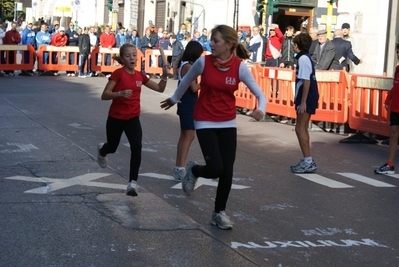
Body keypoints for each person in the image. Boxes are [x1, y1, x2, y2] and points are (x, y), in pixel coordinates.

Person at [160, 25, 266, 230]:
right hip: (205, 119)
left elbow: (260, 94)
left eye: (216, 41)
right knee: (216, 167)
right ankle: (194, 170)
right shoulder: (203, 62)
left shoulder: (239, 67)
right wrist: (174, 99)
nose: (211, 44)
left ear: (229, 45)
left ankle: (218, 213)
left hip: (227, 121)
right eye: (211, 40)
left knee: (227, 171)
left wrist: (261, 109)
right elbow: (185, 82)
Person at [97, 43, 169, 197]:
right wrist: (119, 94)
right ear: (122, 58)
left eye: (134, 55)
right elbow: (105, 95)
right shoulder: (118, 74)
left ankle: (132, 183)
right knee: (112, 147)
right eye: (128, 55)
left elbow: (160, 88)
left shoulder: (139, 76)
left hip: (133, 118)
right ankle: (103, 150)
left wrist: (164, 75)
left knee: (136, 146)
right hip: (116, 118)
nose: (132, 58)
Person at [172, 41, 204, 181]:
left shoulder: (185, 64)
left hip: (187, 103)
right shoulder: (188, 66)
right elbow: (194, 88)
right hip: (187, 103)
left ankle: (179, 166)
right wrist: (206, 81)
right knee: (189, 135)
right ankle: (180, 167)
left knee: (184, 135)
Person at [291, 33, 319, 173]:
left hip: (306, 97)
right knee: (303, 128)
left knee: (299, 128)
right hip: (308, 96)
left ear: (297, 45)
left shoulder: (302, 59)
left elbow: (306, 81)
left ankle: (308, 160)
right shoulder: (305, 58)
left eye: (294, 44)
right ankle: (307, 158)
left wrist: (302, 102)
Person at [374, 44, 399, 174]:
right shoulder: (397, 69)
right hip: (396, 108)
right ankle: (390, 164)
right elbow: (395, 87)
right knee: (394, 134)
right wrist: (389, 98)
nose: (398, 55)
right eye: (398, 52)